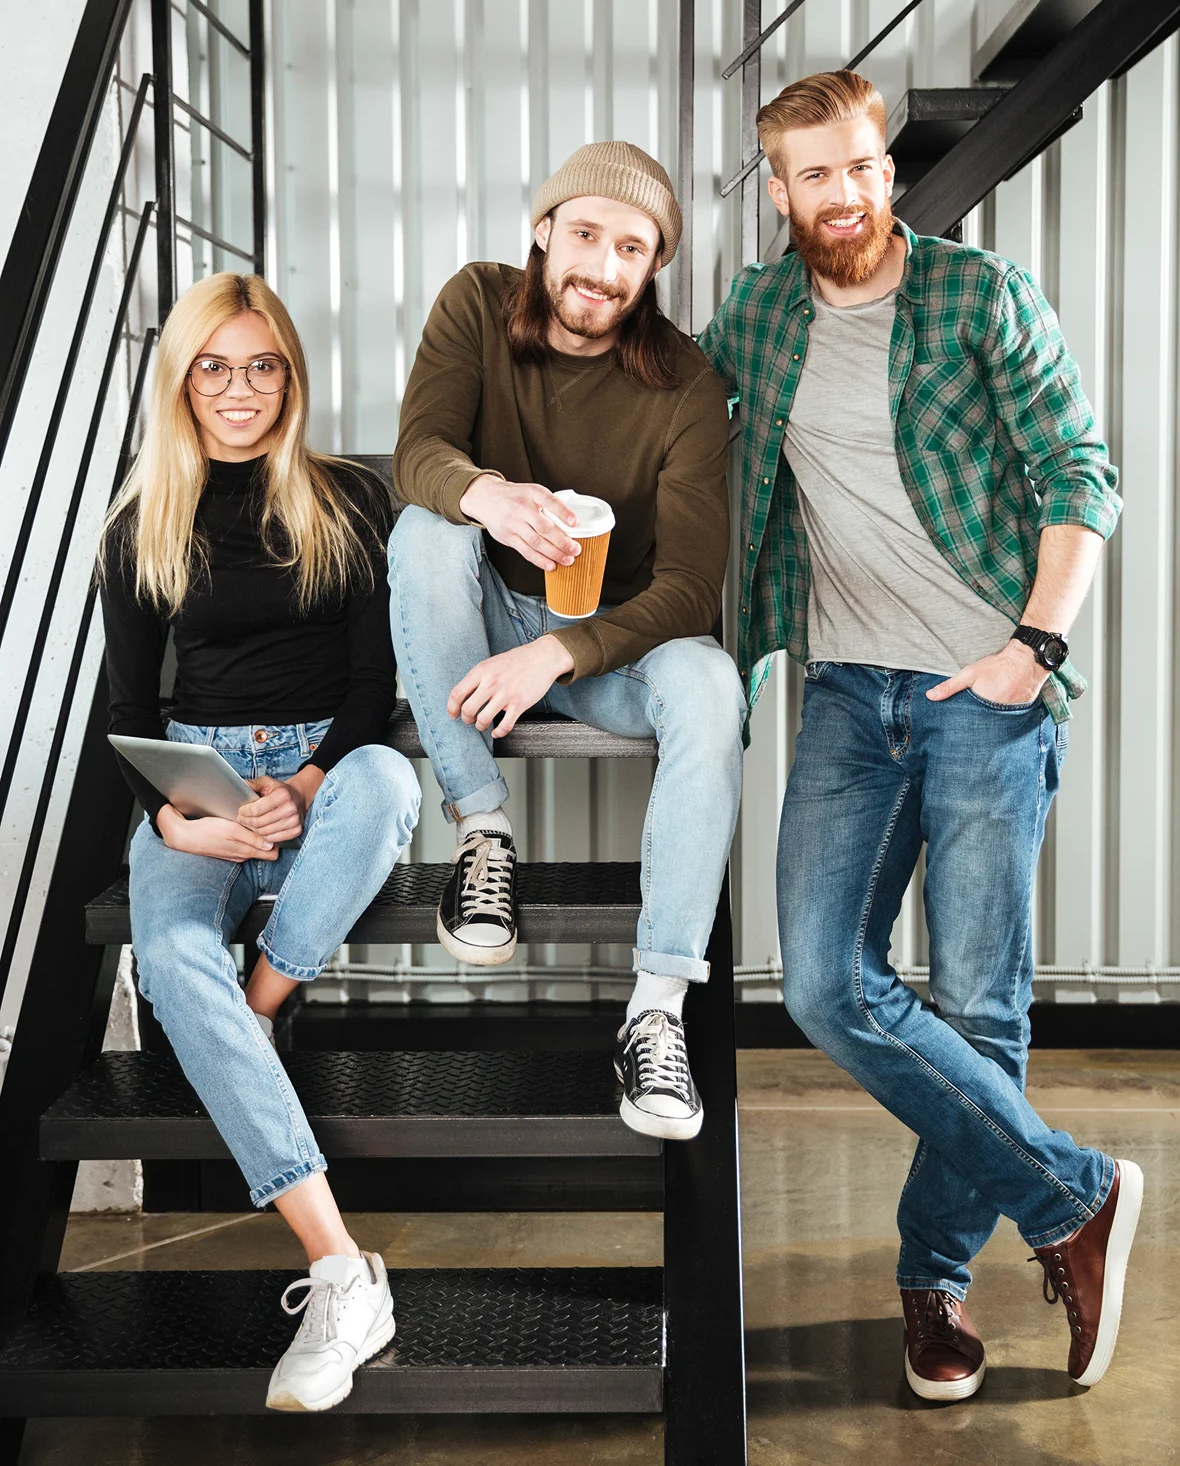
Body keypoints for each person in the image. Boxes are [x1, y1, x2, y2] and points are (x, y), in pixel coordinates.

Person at [698, 70, 1142, 1400]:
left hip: (985, 692)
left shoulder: (978, 296)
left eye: (860, 166)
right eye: (813, 175)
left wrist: (1032, 648)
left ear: (886, 167)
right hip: (848, 694)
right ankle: (1072, 1196)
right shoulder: (757, 316)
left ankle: (934, 1280)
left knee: (978, 1005)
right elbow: (657, 422)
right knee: (824, 983)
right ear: (780, 190)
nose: (843, 194)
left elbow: (1080, 471)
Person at [99, 272, 421, 1412]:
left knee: (389, 783)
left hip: (326, 767)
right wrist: (177, 817)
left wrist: (310, 778)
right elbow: (125, 707)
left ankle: (259, 1007)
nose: (240, 390)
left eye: (262, 365)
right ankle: (342, 1269)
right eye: (214, 368)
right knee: (171, 955)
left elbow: (373, 683)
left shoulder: (350, 498)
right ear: (181, 381)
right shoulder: (141, 521)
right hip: (199, 777)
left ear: (291, 373)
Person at [387, 142, 744, 1141]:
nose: (603, 266)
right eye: (585, 233)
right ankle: (483, 832)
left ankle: (656, 1011)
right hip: (483, 620)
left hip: (608, 652)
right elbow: (418, 453)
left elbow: (689, 589)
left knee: (711, 684)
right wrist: (487, 496)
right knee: (424, 532)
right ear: (544, 231)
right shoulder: (476, 302)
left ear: (654, 264)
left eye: (632, 247)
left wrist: (561, 652)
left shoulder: (686, 385)